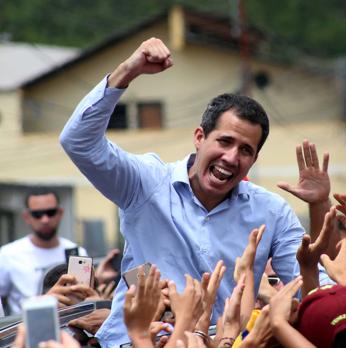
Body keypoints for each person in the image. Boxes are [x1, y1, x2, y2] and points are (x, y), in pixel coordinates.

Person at [59, 38, 305, 347]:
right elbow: (77, 142)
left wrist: (321, 207)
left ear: (253, 161)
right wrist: (128, 71)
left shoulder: (272, 213)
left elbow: (311, 288)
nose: (231, 157)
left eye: (245, 150)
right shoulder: (146, 182)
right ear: (199, 137)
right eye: (225, 141)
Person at [0, 187, 86, 315]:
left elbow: (84, 298)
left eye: (50, 212)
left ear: (60, 213)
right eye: (37, 214)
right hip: (24, 330)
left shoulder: (77, 252)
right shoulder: (8, 254)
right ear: (27, 217)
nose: (45, 220)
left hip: (71, 328)